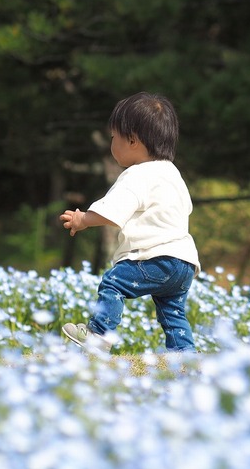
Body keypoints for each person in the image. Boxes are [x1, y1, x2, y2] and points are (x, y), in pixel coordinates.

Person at [59, 92, 200, 353]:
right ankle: (185, 357)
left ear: (133, 140)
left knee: (113, 283)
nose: (112, 144)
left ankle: (99, 335)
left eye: (114, 137)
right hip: (184, 264)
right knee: (173, 313)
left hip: (155, 257)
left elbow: (114, 210)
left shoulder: (137, 175)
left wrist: (83, 219)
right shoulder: (172, 173)